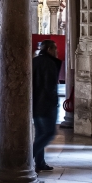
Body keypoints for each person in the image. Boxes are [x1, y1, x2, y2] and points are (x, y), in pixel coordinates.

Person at [32, 39, 62, 172]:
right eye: (55, 48)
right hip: (45, 105)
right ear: (49, 49)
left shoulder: (34, 61)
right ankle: (27, 159)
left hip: (35, 104)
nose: (57, 51)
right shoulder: (49, 64)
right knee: (49, 133)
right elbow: (49, 87)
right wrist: (53, 102)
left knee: (40, 134)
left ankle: (40, 163)